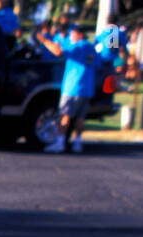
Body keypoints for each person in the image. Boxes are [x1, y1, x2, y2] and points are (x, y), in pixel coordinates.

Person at [38, 22, 98, 153]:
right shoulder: (90, 47)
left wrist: (44, 41)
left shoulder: (78, 46)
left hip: (73, 87)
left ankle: (59, 143)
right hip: (87, 88)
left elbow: (58, 52)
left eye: (73, 33)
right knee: (80, 118)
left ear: (80, 34)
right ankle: (77, 143)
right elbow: (99, 62)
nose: (70, 35)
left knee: (65, 116)